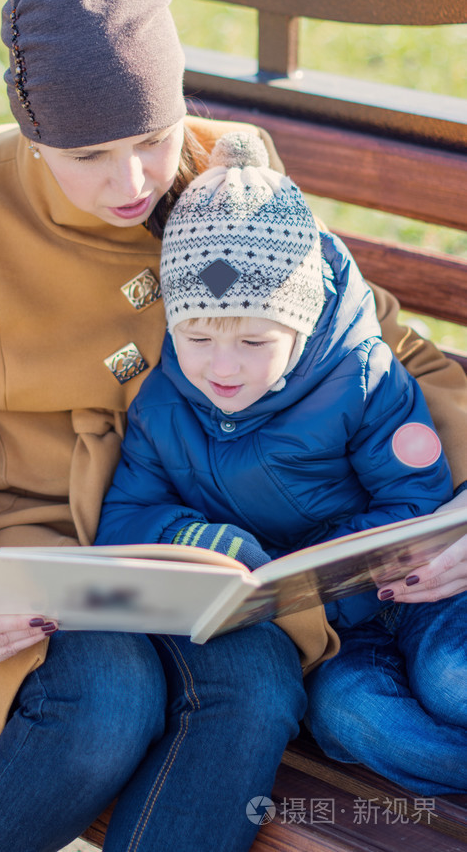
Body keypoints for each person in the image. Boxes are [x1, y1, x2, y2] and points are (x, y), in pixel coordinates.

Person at [0, 0, 467, 852]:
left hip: (207, 549)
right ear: (31, 133)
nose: (134, 183)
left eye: (151, 138)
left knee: (257, 690)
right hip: (28, 538)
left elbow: (380, 346)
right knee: (107, 700)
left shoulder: (226, 179)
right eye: (90, 156)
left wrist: (458, 513)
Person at [95, 131, 467, 795]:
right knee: (355, 717)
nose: (222, 366)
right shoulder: (161, 404)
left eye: (255, 340)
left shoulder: (362, 376)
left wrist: (325, 565)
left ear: (303, 323)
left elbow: (417, 495)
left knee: (452, 678)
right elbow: (124, 516)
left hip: (415, 592)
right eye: (198, 336)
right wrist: (196, 538)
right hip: (323, 640)